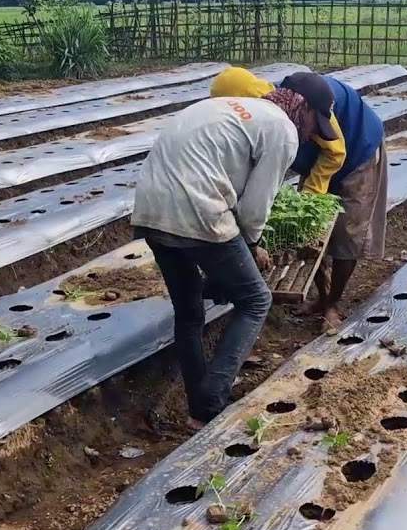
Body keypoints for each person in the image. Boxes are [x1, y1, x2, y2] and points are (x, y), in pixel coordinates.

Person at [132, 78, 340, 427]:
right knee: (256, 299)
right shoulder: (282, 130)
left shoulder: (225, 107)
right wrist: (253, 244)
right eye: (312, 125)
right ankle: (212, 402)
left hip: (151, 210)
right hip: (199, 211)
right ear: (301, 108)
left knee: (189, 311)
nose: (310, 135)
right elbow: (255, 205)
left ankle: (199, 407)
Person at [210, 67, 389, 333]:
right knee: (307, 229)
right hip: (317, 157)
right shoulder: (255, 115)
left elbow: (335, 152)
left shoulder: (301, 101)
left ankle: (332, 304)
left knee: (348, 229)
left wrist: (312, 196)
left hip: (357, 149)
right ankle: (321, 294)